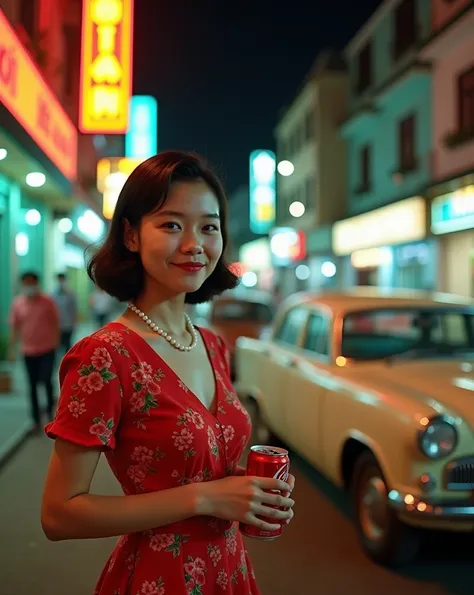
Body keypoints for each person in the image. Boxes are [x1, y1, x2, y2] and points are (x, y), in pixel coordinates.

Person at [41, 151, 296, 595]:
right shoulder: (104, 356)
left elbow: (199, 465)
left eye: (209, 226)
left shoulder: (212, 344)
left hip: (230, 571)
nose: (194, 243)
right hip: (158, 577)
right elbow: (59, 514)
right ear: (132, 235)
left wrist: (245, 487)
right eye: (172, 224)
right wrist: (205, 498)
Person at [9, 271, 60, 429]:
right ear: (22, 284)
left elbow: (55, 323)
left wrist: (56, 344)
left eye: (32, 282)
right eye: (26, 283)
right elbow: (15, 327)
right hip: (28, 350)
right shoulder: (18, 303)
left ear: (37, 283)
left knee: (46, 380)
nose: (29, 286)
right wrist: (12, 348)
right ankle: (36, 419)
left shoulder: (47, 302)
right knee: (31, 385)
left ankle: (52, 414)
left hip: (47, 349)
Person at [53, 272, 78, 355]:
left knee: (67, 343)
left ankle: (67, 359)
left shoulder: (71, 294)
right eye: (59, 280)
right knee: (58, 344)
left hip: (68, 324)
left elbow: (74, 309)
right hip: (57, 325)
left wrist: (74, 322)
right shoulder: (53, 294)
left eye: (62, 280)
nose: (61, 282)